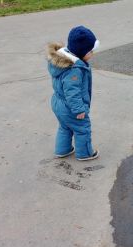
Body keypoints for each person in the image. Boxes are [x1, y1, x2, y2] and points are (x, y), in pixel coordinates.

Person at [47, 26, 100, 161]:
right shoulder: (74, 70)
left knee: (65, 127)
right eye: (90, 51)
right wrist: (79, 109)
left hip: (58, 104)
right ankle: (85, 153)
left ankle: (62, 150)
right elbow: (72, 92)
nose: (92, 53)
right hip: (70, 107)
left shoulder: (63, 62)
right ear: (81, 52)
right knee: (82, 129)